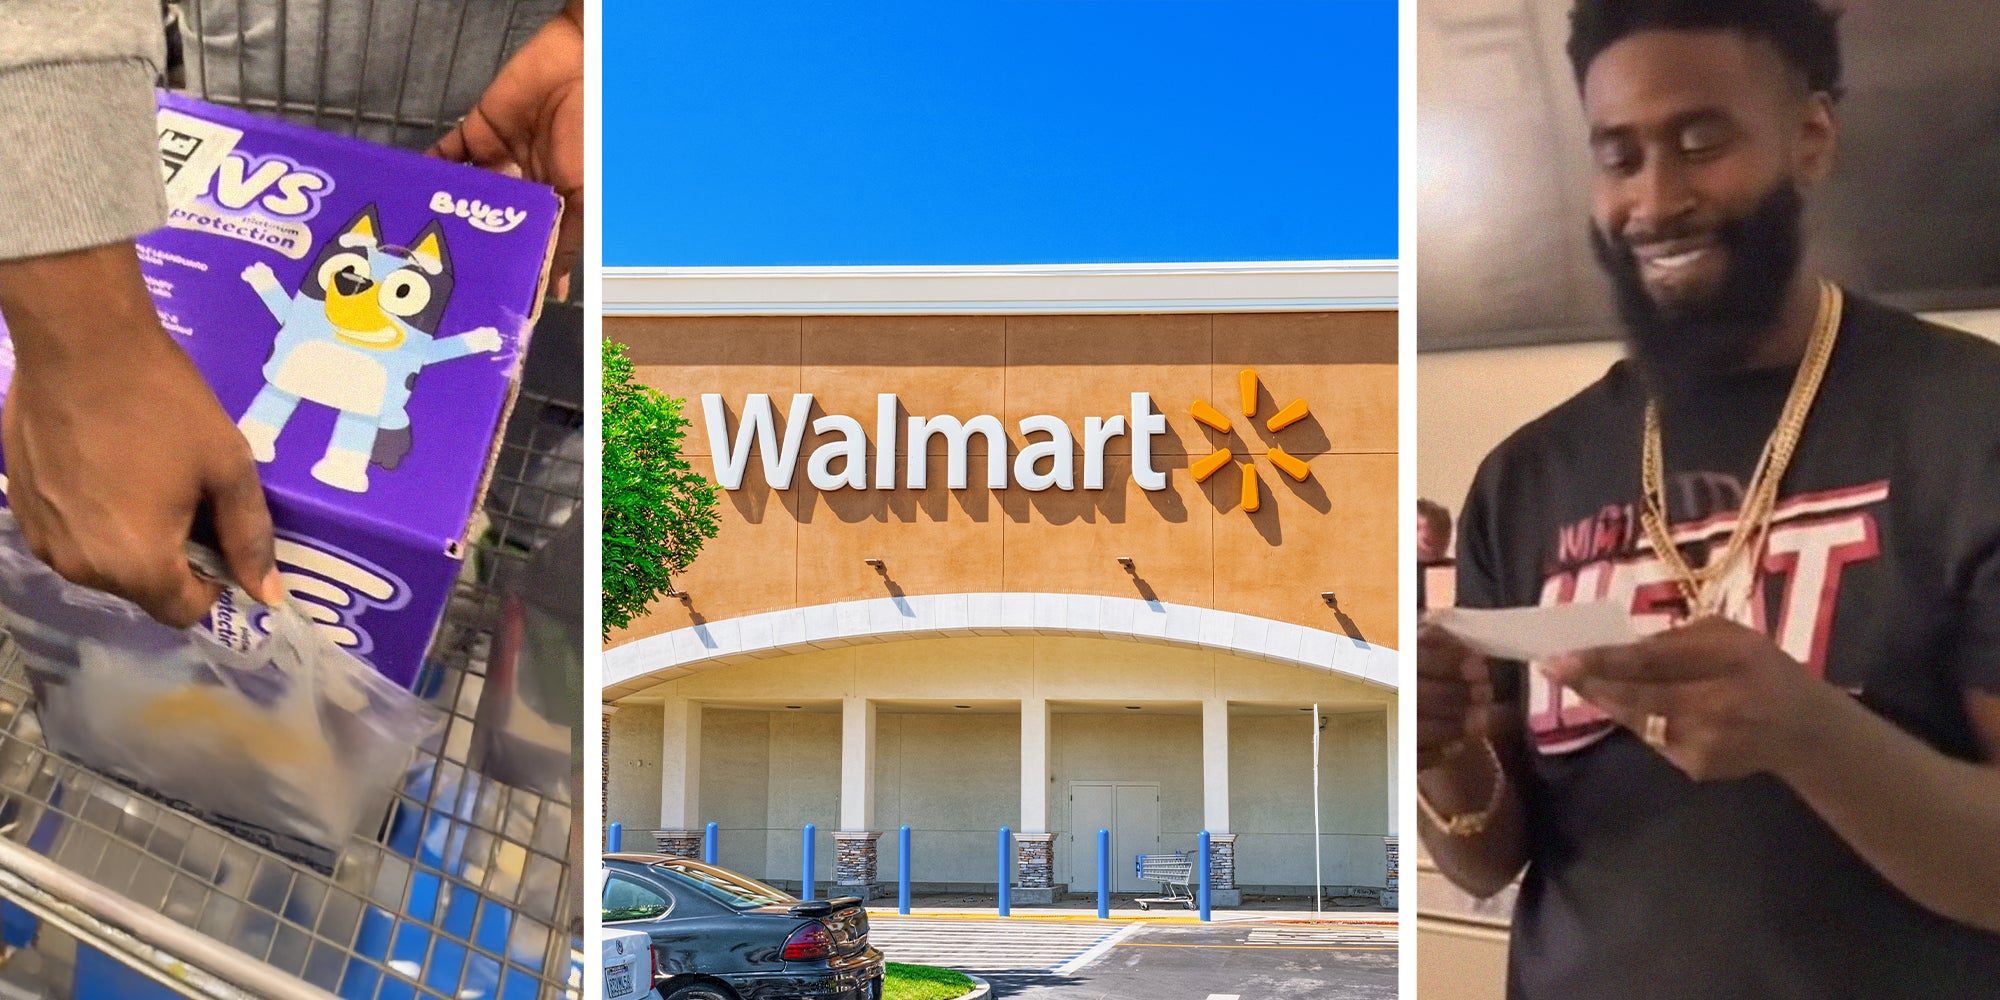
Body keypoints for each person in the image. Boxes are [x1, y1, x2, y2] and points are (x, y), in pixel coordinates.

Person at [1417, 1, 2000, 996]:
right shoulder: (1523, 477)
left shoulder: (1967, 421)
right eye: (1617, 155)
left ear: (1808, 136)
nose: (1653, 199)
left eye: (1697, 142)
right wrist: (1441, 752)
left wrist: (1808, 733)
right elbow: (1488, 861)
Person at [0, 0, 580, 626]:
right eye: (355, 277)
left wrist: (598, 31)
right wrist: (81, 340)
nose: (367, 296)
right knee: (269, 408)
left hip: (523, 87)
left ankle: (361, 479)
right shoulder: (313, 305)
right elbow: (285, 310)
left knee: (394, 434)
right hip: (265, 70)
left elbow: (434, 350)